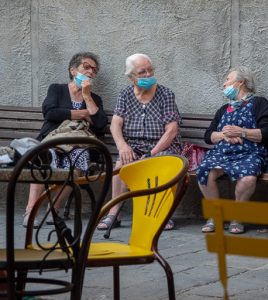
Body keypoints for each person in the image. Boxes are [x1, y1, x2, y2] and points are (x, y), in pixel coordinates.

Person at [97, 53, 181, 231]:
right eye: (142, 72)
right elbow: (115, 125)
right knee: (121, 165)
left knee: (163, 163)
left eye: (151, 70)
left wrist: (152, 153)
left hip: (162, 145)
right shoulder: (126, 94)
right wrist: (122, 146)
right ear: (131, 77)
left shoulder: (165, 94)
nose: (148, 75)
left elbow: (172, 130)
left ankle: (162, 213)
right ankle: (114, 213)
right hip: (134, 145)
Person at [23, 52, 108, 227]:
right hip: (53, 139)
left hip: (79, 144)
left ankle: (53, 209)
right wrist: (83, 114)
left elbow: (100, 124)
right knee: (42, 157)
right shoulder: (57, 89)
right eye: (86, 67)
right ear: (73, 70)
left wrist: (87, 96)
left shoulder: (94, 98)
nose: (91, 71)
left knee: (79, 157)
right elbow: (50, 112)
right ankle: (31, 211)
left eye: (94, 69)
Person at [197, 66, 268, 234]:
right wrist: (223, 135)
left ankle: (237, 216)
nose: (224, 84)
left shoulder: (259, 103)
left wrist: (241, 132)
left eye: (228, 79)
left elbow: (266, 133)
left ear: (240, 82)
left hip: (249, 153)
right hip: (222, 153)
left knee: (248, 178)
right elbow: (208, 136)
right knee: (204, 171)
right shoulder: (223, 109)